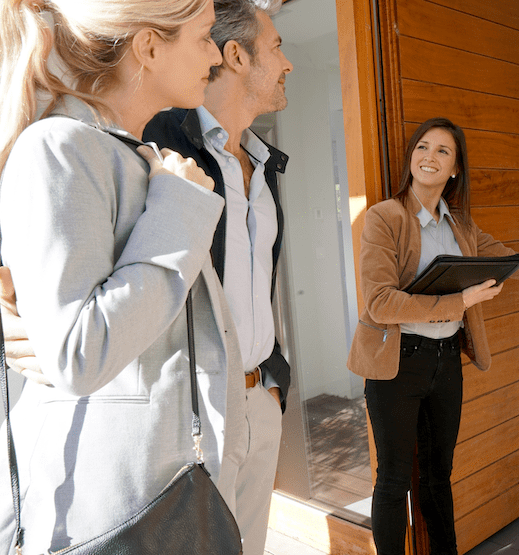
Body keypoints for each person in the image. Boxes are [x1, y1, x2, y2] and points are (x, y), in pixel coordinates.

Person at [0, 2, 295, 553]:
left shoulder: (170, 157)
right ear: (149, 46)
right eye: (202, 38)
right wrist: (1, 321)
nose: (214, 54)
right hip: (120, 498)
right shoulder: (97, 148)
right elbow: (46, 319)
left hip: (223, 429)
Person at [347, 117, 519, 555]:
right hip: (397, 364)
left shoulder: (461, 227)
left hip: (446, 361)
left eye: (442, 151)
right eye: (423, 147)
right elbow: (380, 303)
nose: (429, 157)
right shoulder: (383, 217)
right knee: (393, 480)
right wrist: (460, 302)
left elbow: (515, 263)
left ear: (455, 170)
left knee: (437, 476)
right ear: (412, 158)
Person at [142, 1, 293, 552]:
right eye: (276, 47)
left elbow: (257, 281)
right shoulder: (157, 144)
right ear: (235, 55)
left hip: (260, 400)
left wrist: (273, 384)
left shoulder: (265, 164)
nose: (288, 63)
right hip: (197, 417)